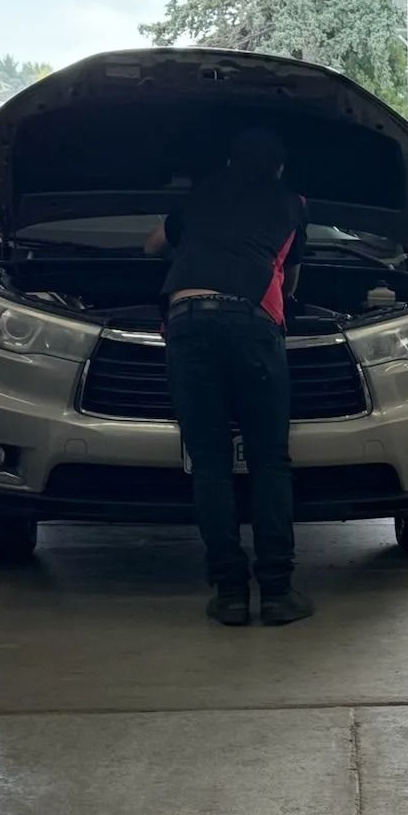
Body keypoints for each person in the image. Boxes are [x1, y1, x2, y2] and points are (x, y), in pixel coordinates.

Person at [147, 127, 313, 624]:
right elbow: (291, 275)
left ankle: (230, 595)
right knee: (269, 461)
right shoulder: (292, 204)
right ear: (279, 169)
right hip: (251, 322)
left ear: (228, 164)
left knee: (211, 463)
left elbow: (151, 246)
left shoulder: (201, 195)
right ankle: (278, 593)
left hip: (186, 320)